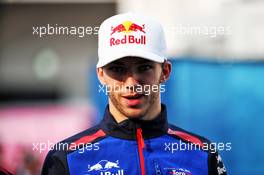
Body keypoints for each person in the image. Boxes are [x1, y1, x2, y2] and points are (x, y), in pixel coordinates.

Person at [41, 12, 227, 175]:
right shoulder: (66, 158)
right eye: (117, 69)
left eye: (144, 67)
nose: (132, 83)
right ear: (100, 75)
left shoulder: (202, 154)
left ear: (165, 71)